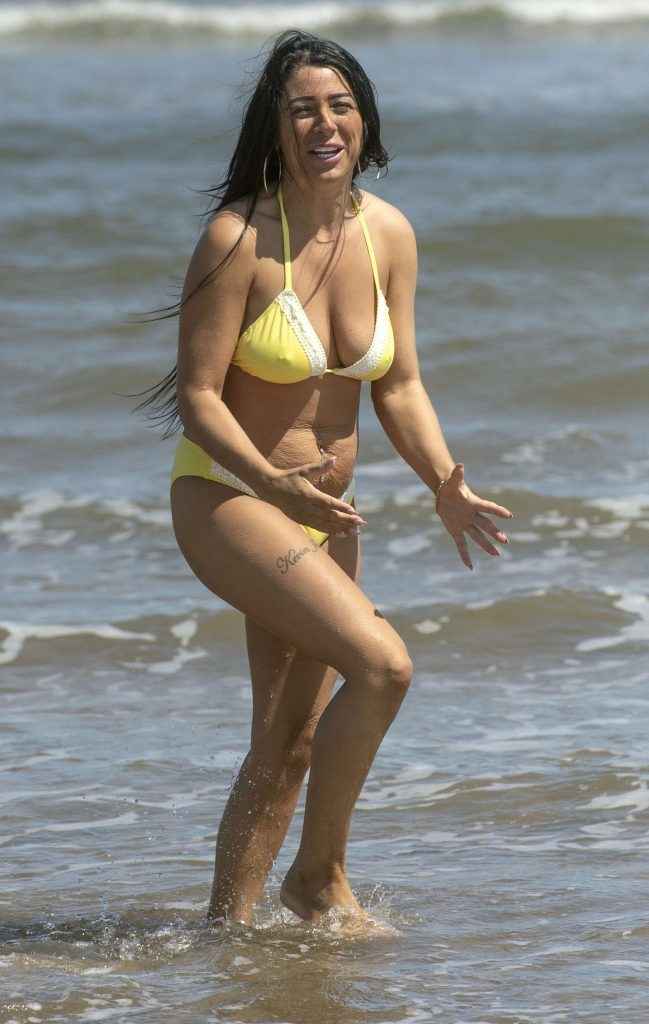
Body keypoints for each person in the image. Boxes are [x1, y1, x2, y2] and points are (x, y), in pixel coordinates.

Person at [138, 29, 513, 927]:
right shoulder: (237, 237)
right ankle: (318, 878)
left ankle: (227, 935)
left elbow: (399, 384)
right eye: (302, 108)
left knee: (289, 739)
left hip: (325, 513)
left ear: (363, 121)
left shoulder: (387, 236)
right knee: (382, 667)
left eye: (339, 105)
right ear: (274, 129)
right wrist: (270, 483)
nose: (323, 123)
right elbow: (197, 398)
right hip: (229, 498)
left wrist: (442, 481)